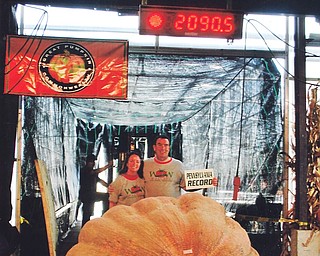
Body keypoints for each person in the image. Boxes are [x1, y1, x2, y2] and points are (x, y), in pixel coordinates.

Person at [79, 154, 113, 227]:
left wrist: (109, 186)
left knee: (88, 213)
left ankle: (104, 215)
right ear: (87, 162)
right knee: (86, 215)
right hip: (86, 196)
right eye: (91, 161)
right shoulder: (84, 171)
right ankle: (84, 229)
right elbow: (95, 172)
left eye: (94, 162)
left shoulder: (93, 173)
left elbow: (100, 181)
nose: (93, 163)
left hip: (92, 195)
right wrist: (108, 166)